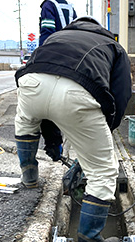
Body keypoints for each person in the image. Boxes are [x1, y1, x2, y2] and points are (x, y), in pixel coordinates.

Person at [14, 17, 132, 242]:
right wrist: (101, 134)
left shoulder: (57, 37)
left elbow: (47, 100)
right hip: (78, 93)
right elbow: (121, 96)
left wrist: (53, 143)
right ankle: (90, 240)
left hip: (30, 84)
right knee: (103, 171)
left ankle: (29, 178)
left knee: (26, 124)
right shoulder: (114, 47)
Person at [37, 0, 78, 162]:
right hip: (73, 59)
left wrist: (42, 57)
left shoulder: (49, 5)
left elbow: (47, 32)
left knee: (46, 103)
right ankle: (71, 149)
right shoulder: (70, 7)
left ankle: (54, 147)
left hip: (54, 57)